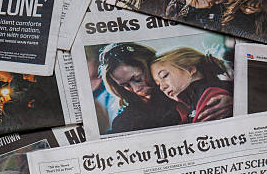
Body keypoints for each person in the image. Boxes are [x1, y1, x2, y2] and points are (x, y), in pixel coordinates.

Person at [99, 43, 232, 133]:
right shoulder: (128, 120)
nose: (136, 89)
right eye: (125, 85)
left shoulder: (181, 87)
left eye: (137, 78)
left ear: (148, 64)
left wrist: (235, 98)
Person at [150, 48, 232, 124]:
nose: (162, 87)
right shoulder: (184, 107)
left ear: (190, 69)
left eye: (164, 76)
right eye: (158, 84)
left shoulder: (211, 96)